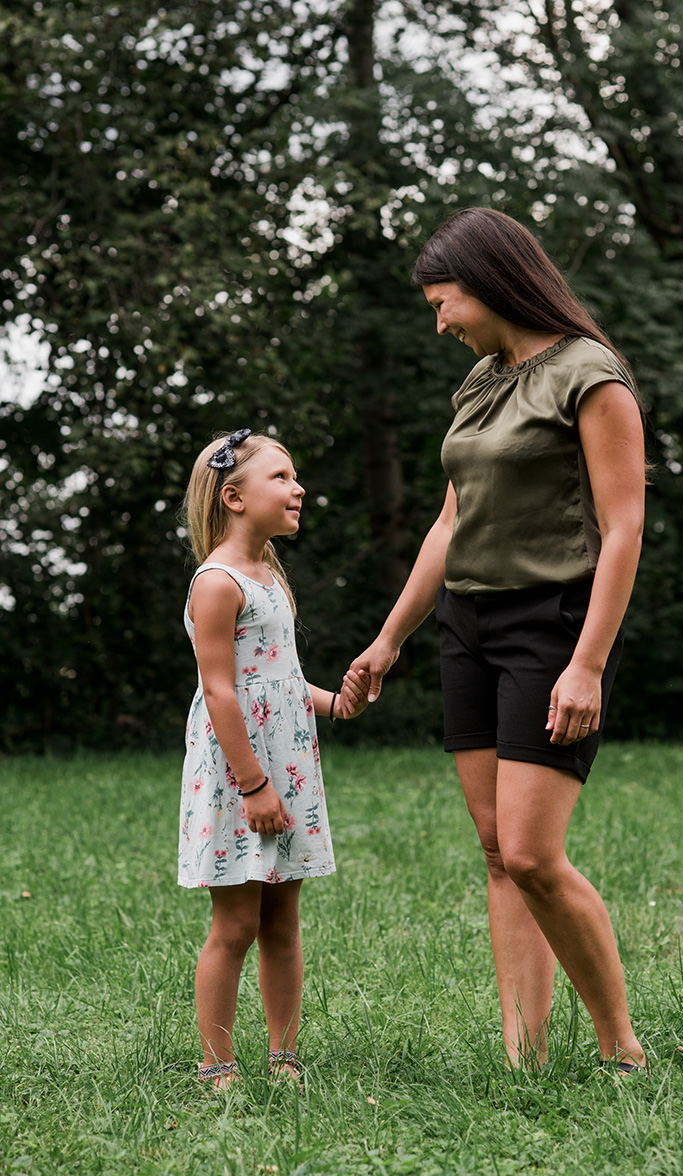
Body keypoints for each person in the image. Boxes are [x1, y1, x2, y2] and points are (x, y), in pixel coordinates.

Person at [346, 208, 648, 1073]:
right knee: (494, 851)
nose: (439, 322)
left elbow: (623, 528)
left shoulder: (590, 377)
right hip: (466, 624)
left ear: (490, 285)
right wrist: (389, 638)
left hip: (551, 622)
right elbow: (450, 522)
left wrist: (586, 661)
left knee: (529, 852)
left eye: (444, 303)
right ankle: (527, 1056)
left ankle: (621, 1049)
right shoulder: (482, 380)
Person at [179, 428, 369, 1089]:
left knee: (282, 919)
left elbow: (279, 682)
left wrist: (333, 703)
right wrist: (254, 785)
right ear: (233, 496)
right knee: (234, 923)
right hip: (242, 777)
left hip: (283, 771)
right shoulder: (218, 582)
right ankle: (216, 1063)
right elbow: (221, 689)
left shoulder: (270, 577)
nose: (299, 488)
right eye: (282, 478)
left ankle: (284, 1056)